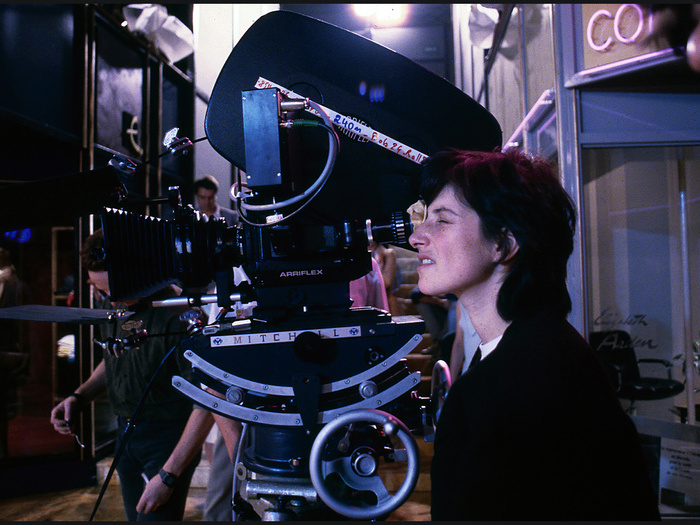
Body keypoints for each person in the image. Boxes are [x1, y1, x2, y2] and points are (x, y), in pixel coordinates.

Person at [408, 148, 660, 520]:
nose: (416, 237)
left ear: (505, 244)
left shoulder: (517, 383)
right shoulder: (536, 351)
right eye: (423, 218)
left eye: (442, 221)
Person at [49, 229, 239, 521]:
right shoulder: (112, 305)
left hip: (166, 439)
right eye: (101, 291)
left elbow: (208, 401)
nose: (110, 301)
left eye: (116, 292)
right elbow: (114, 359)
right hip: (125, 435)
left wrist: (168, 476)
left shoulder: (180, 315)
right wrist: (80, 396)